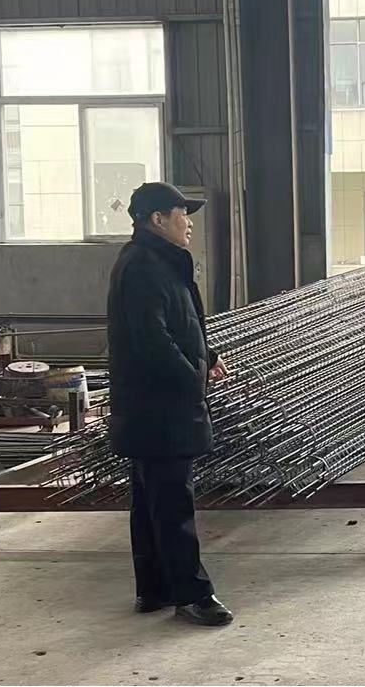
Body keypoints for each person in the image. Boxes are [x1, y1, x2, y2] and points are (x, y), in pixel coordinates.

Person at [106, 181, 233, 627]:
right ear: (157, 219)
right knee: (174, 505)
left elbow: (177, 324)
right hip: (160, 406)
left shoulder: (157, 261)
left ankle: (154, 589)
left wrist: (206, 356)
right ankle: (192, 595)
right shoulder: (144, 265)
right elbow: (152, 340)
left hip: (153, 404)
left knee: (150, 502)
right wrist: (191, 377)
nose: (190, 223)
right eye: (182, 214)